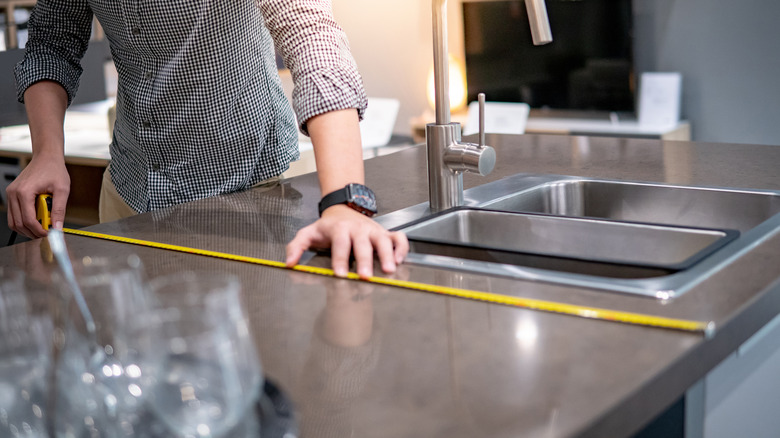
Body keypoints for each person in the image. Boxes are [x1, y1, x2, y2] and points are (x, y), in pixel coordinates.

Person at [6, 0, 408, 278]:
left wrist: (345, 203)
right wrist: (46, 153)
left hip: (247, 197)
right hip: (130, 191)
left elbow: (311, 35)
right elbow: (52, 43)